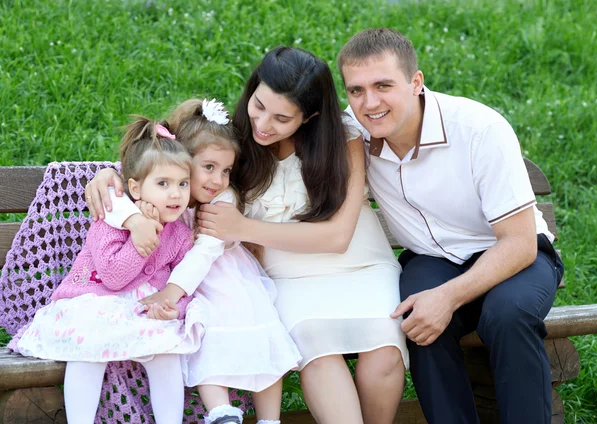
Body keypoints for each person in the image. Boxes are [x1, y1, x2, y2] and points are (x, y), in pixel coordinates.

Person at [87, 48, 409, 424]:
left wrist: (241, 228)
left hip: (362, 265)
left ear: (311, 117)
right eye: (259, 105)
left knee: (383, 350)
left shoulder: (343, 140)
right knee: (317, 346)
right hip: (288, 278)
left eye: (282, 117)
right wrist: (108, 174)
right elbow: (161, 153)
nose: (264, 123)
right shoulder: (236, 139)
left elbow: (338, 237)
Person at [337, 28, 565, 424]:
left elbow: (519, 244)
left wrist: (448, 297)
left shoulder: (479, 129)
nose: (369, 103)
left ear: (415, 82)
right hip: (432, 258)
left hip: (512, 255)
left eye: (383, 85)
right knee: (419, 319)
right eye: (356, 90)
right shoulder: (354, 134)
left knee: (508, 315)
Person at [88, 98, 301, 424]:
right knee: (204, 337)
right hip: (185, 286)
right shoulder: (173, 191)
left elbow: (203, 254)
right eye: (209, 168)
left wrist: (170, 294)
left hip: (223, 280)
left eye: (226, 170)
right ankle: (220, 412)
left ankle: (269, 419)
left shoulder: (221, 201)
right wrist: (110, 180)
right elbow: (130, 192)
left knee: (260, 335)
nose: (217, 179)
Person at [17, 117, 203, 424]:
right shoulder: (110, 220)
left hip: (142, 309)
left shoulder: (180, 234)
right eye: (163, 184)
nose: (175, 194)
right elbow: (115, 277)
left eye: (182, 184)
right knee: (88, 351)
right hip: (95, 301)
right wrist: (142, 237)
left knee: (168, 353)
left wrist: (173, 308)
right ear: (135, 187)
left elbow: (184, 284)